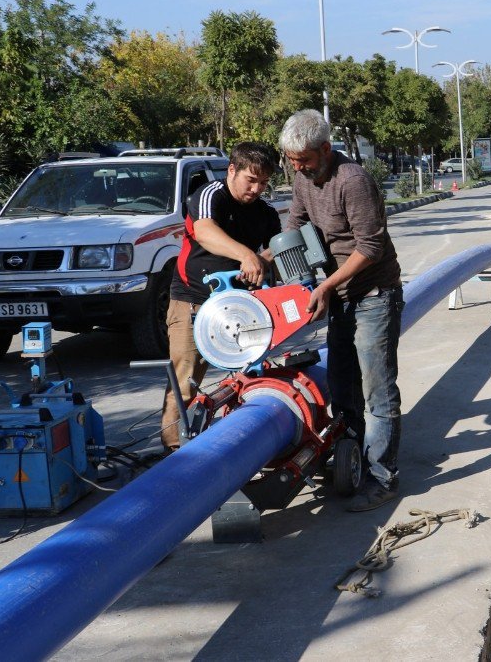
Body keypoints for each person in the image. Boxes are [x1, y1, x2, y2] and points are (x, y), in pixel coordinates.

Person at [279, 109, 404, 513]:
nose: (299, 168)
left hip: (372, 295)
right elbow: (293, 227)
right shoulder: (302, 177)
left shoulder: (353, 181)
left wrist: (328, 285)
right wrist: (267, 261)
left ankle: (383, 477)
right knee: (342, 382)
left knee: (377, 390)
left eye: (306, 161)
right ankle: (350, 459)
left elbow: (371, 247)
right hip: (341, 298)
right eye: (293, 161)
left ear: (326, 149)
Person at [160, 142, 280, 452]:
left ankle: (244, 445)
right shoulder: (210, 195)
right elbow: (204, 231)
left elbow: (276, 246)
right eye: (250, 180)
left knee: (249, 378)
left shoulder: (265, 212)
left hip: (239, 308)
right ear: (231, 170)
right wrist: (245, 255)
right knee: (183, 383)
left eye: (263, 182)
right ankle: (173, 454)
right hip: (192, 302)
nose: (256, 189)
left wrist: (264, 260)